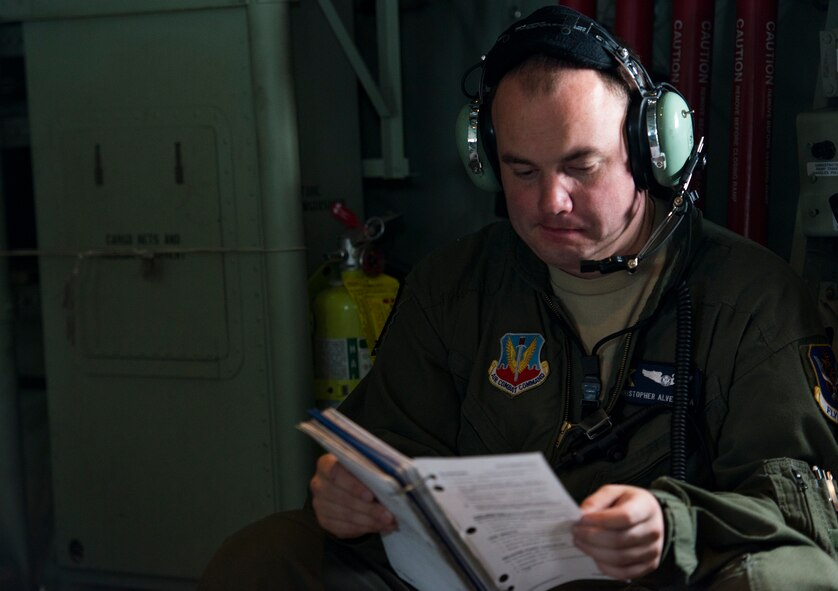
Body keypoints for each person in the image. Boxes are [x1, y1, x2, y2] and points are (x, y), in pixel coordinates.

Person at [198, 5, 838, 589]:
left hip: (655, 577)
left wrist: (673, 526)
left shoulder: (751, 301)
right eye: (521, 170)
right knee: (268, 556)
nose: (548, 202)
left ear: (652, 153)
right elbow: (388, 448)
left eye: (581, 168)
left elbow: (804, 512)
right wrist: (348, 493)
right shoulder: (455, 286)